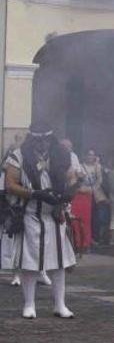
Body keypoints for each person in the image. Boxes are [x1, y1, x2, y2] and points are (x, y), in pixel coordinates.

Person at [4, 129, 77, 319]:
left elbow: (72, 177)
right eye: (38, 140)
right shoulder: (18, 156)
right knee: (29, 261)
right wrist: (34, 194)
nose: (43, 144)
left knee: (59, 261)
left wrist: (66, 196)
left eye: (46, 140)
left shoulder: (61, 154)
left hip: (55, 213)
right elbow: (10, 184)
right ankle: (29, 304)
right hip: (30, 213)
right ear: (32, 139)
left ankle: (60, 304)